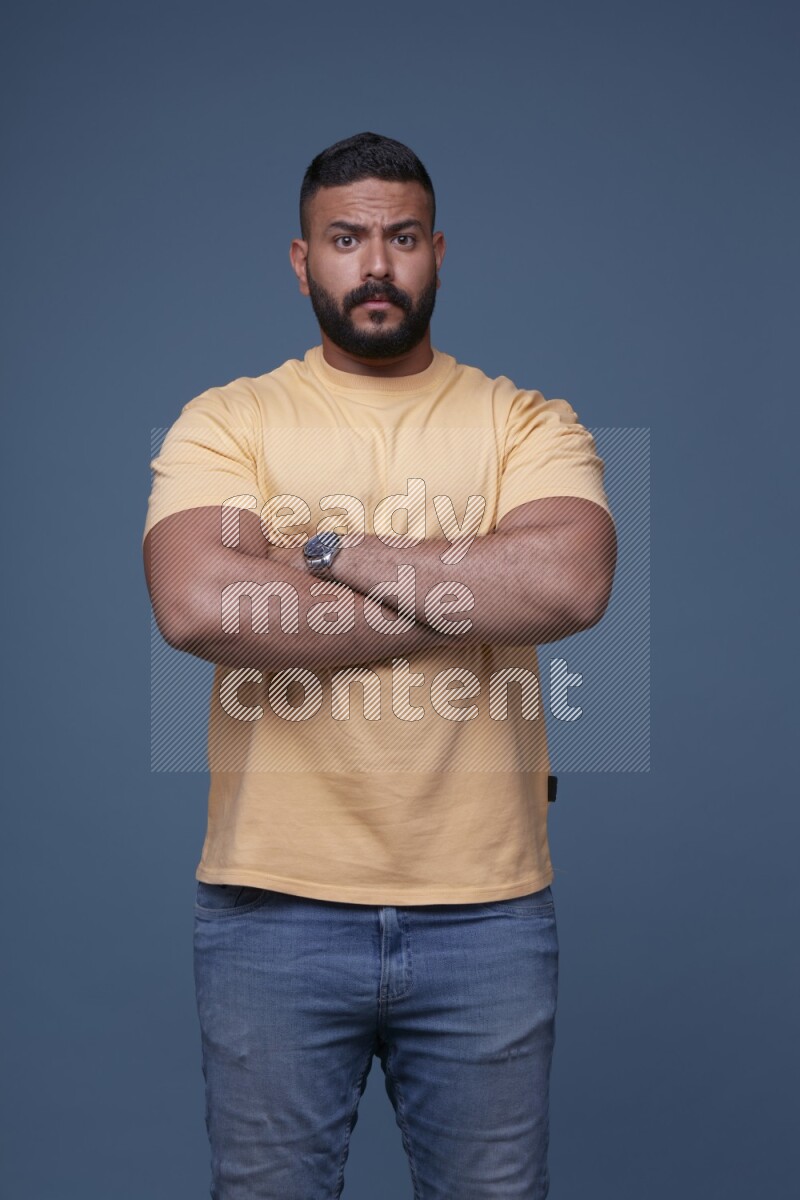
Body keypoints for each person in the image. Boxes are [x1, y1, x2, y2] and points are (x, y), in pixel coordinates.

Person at [143, 131, 617, 1200]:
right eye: (345, 238)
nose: (375, 264)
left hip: (487, 911)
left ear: (437, 251)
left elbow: (569, 588)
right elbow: (197, 602)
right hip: (271, 908)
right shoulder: (232, 422)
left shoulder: (519, 422)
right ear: (301, 259)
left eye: (400, 237)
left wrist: (332, 556)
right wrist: (469, 595)